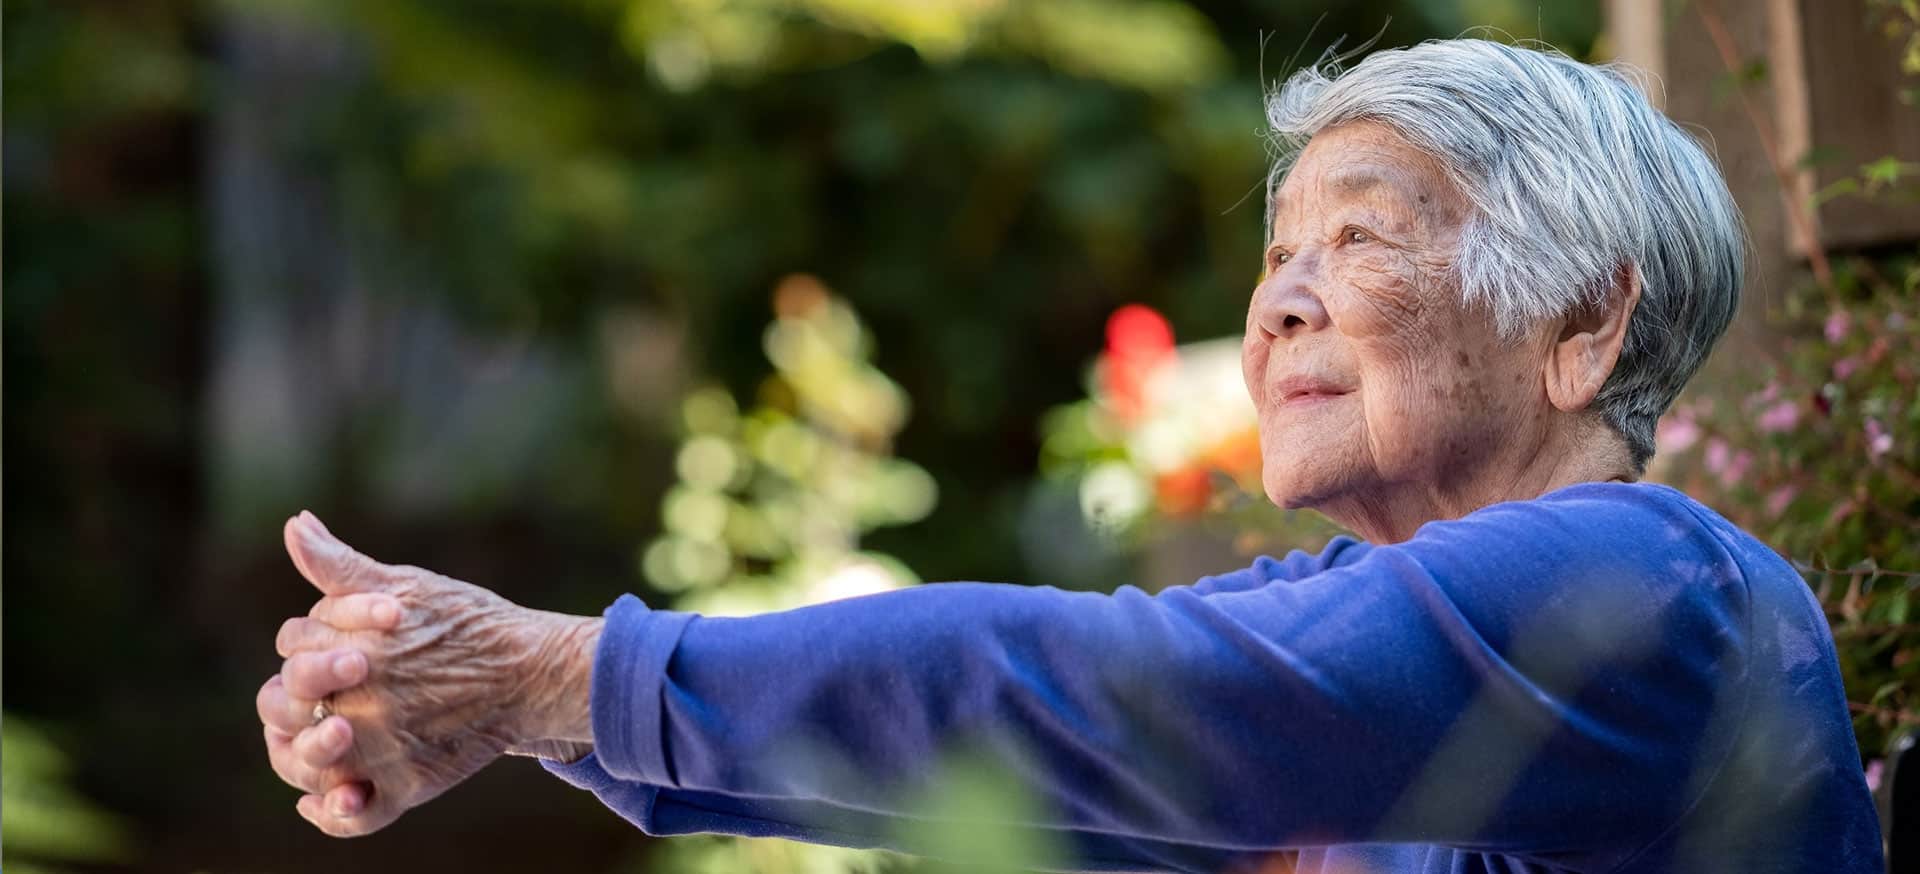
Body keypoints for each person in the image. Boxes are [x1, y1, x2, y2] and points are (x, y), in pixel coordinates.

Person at [254, 39, 1885, 873]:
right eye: (1277, 255)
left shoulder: (1644, 584)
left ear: (1587, 326)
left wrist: (561, 681)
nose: (1280, 303)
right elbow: (1016, 777)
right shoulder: (1380, 613)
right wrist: (523, 717)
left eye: (1362, 239)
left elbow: (1103, 694)